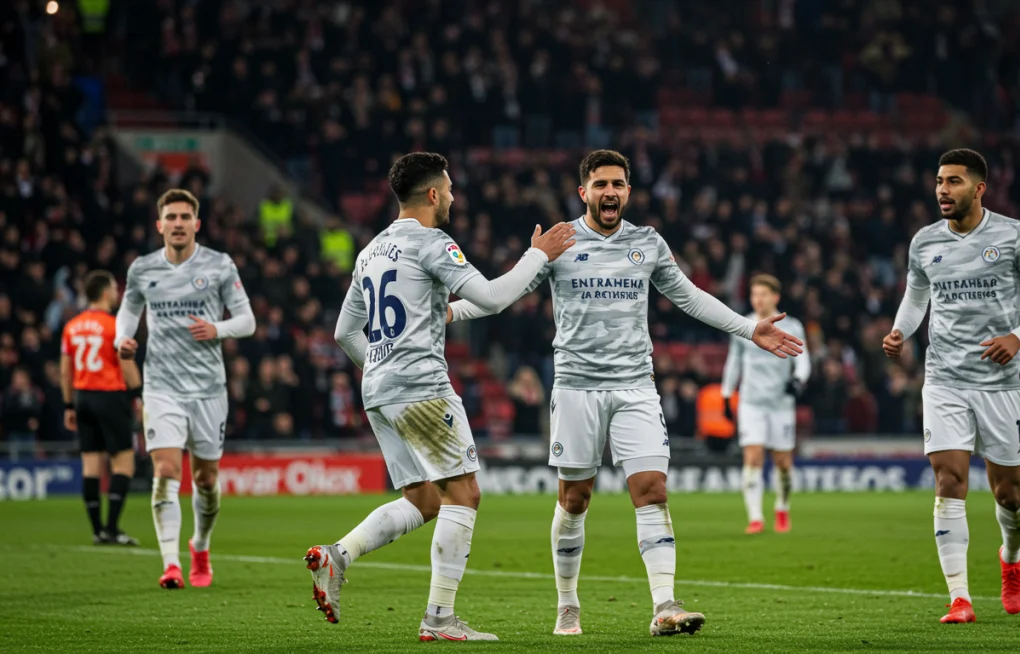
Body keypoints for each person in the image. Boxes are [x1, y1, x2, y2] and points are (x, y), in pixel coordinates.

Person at [448, 150, 804, 637]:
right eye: (600, 185)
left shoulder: (647, 243)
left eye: (618, 184)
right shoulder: (560, 243)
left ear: (629, 192)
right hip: (576, 388)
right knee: (575, 498)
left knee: (653, 490)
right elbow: (501, 293)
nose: (609, 192)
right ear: (584, 193)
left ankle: (664, 605)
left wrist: (747, 329)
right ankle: (568, 603)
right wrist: (449, 313)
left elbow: (690, 296)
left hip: (636, 386)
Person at [304, 152, 575, 642]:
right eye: (448, 189)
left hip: (378, 392)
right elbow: (493, 296)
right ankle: (439, 618)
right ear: (433, 194)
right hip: (421, 387)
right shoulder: (432, 242)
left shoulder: (370, 252)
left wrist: (385, 365)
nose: (451, 196)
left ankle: (336, 556)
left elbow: (346, 332)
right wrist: (538, 255)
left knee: (424, 499)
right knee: (464, 494)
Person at [882, 149, 1020, 623]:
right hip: (944, 379)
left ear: (979, 188)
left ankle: (1011, 560)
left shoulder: (1014, 236)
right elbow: (916, 296)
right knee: (949, 481)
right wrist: (901, 330)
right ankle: (960, 598)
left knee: (1008, 494)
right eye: (940, 181)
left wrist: (1017, 336)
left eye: (954, 182)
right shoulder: (924, 242)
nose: (943, 190)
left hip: (1001, 384)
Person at [115, 188, 257, 589]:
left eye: (184, 217)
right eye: (170, 217)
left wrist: (218, 329)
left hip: (209, 389)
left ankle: (201, 545)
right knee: (164, 470)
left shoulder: (218, 265)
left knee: (207, 480)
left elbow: (247, 321)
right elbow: (127, 312)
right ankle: (170, 563)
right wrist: (121, 341)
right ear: (159, 225)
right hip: (161, 386)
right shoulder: (142, 269)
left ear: (197, 224)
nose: (177, 224)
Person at [720, 274, 811, 535]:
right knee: (752, 457)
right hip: (751, 403)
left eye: (763, 294)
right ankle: (756, 517)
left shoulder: (792, 326)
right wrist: (727, 396)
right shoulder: (743, 325)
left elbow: (803, 359)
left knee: (783, 462)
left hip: (781, 403)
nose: (758, 299)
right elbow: (733, 362)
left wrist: (798, 380)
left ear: (775, 298)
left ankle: (782, 508)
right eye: (754, 295)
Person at [61, 271, 143, 546]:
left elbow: (65, 370)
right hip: (110, 397)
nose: (117, 293)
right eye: (114, 288)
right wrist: (139, 394)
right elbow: (126, 365)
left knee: (91, 464)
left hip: (82, 397)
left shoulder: (72, 326)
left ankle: (97, 530)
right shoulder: (114, 326)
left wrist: (68, 404)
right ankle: (112, 528)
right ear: (105, 293)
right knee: (123, 462)